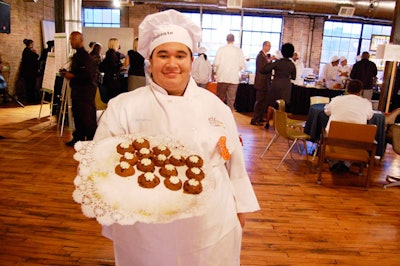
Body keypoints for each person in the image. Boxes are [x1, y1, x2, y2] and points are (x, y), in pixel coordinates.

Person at [93, 9, 259, 265]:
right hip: (146, 223)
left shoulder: (216, 107)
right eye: (163, 55)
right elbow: (102, 163)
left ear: (192, 61)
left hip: (210, 220)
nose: (172, 64)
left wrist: (240, 205)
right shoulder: (123, 106)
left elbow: (231, 159)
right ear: (150, 61)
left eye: (180, 55)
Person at [324, 79, 374, 172]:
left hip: (334, 139)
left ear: (347, 89)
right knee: (354, 139)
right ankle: (346, 164)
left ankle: (334, 163)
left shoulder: (337, 99)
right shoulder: (366, 103)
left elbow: (326, 111)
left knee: (327, 133)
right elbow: (369, 116)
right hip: (356, 141)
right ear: (360, 91)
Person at [59, 31, 98, 147]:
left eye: (73, 39)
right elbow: (78, 72)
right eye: (70, 39)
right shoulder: (77, 56)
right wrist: (68, 73)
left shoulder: (86, 57)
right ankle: (79, 138)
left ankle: (91, 141)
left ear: (80, 40)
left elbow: (89, 75)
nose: (70, 41)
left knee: (87, 116)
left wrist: (72, 75)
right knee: (78, 115)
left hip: (85, 92)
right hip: (77, 91)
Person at [262, 43, 296, 129]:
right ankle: (279, 125)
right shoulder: (292, 65)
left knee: (271, 104)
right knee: (282, 105)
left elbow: (265, 69)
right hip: (286, 86)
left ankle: (267, 122)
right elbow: (294, 77)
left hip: (276, 84)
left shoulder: (277, 62)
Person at [214, 33, 246, 111]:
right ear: (234, 40)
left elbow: (216, 63)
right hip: (233, 78)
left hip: (222, 77)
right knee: (231, 100)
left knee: (219, 99)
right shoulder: (238, 51)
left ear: (226, 39)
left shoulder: (221, 49)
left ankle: (219, 115)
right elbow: (242, 65)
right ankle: (229, 117)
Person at [250, 41, 272, 126]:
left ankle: (260, 117)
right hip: (261, 82)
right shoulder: (260, 56)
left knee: (264, 102)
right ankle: (254, 119)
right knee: (259, 101)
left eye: (270, 46)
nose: (269, 47)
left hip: (266, 83)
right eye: (268, 46)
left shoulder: (265, 56)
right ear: (264, 46)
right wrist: (270, 62)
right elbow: (262, 68)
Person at [20, 39, 39, 103]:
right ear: (30, 44)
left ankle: (30, 99)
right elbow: (35, 58)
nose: (33, 45)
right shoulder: (28, 51)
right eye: (32, 44)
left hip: (28, 73)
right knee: (30, 86)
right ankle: (31, 100)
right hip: (30, 73)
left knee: (29, 86)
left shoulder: (26, 51)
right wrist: (35, 53)